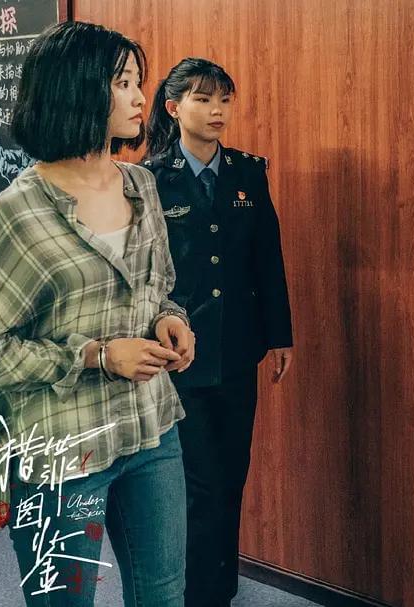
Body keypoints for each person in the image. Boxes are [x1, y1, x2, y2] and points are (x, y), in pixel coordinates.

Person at [0, 21, 195, 606]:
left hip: (150, 427)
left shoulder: (142, 184)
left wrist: (171, 320)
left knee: (165, 594)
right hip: (62, 447)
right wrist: (97, 356)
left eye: (137, 81)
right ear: (78, 89)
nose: (140, 98)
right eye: (123, 83)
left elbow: (159, 287)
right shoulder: (13, 216)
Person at [143, 57, 293, 607]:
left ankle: (220, 585)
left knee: (231, 475)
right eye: (203, 99)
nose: (217, 110)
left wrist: (280, 335)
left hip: (238, 350)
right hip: (180, 354)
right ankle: (198, 592)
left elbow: (267, 258)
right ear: (173, 106)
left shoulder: (248, 172)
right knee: (196, 483)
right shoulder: (150, 179)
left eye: (225, 99)